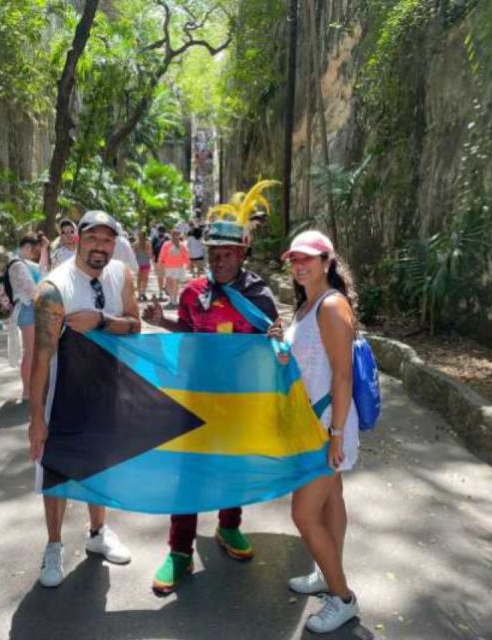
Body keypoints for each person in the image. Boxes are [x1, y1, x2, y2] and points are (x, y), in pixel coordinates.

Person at [142, 199, 279, 595]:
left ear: (241, 255)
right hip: (195, 398)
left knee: (233, 465)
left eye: (227, 254)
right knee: (188, 472)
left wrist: (275, 339)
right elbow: (186, 332)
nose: (219, 261)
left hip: (239, 401)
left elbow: (273, 346)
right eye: (214, 254)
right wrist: (160, 321)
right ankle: (180, 551)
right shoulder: (193, 292)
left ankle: (229, 526)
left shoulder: (259, 296)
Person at [28, 209, 141, 588]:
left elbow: (135, 324)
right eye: (93, 238)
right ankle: (54, 544)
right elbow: (41, 357)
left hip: (106, 388)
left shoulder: (120, 274)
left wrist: (102, 321)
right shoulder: (53, 288)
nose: (101, 246)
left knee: (100, 463)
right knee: (56, 468)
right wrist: (36, 418)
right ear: (78, 238)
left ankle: (97, 533)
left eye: (108, 240)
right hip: (63, 393)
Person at [273, 230, 361, 634]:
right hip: (311, 423)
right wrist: (281, 344)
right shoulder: (307, 306)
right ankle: (329, 574)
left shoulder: (331, 306)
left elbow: (342, 375)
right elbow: (308, 363)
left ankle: (342, 598)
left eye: (308, 258)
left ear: (327, 262)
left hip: (326, 426)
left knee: (304, 514)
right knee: (331, 500)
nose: (300, 265)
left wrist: (337, 435)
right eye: (294, 259)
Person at [7, 234, 43, 401]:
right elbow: (31, 290)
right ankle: (27, 391)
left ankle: (29, 389)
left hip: (24, 310)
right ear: (27, 247)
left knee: (31, 351)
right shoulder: (19, 266)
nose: (33, 255)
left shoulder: (14, 260)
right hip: (26, 310)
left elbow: (41, 267)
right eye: (33, 251)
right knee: (30, 353)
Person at [157, 228, 190, 309]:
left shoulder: (167, 244)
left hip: (169, 267)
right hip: (178, 267)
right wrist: (188, 264)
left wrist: (159, 263)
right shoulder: (182, 245)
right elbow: (186, 256)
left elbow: (162, 255)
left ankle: (172, 300)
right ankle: (174, 301)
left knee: (169, 284)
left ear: (171, 235)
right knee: (175, 285)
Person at [133, 229, 152, 301]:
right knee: (145, 279)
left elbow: (132, 254)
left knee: (139, 279)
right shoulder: (148, 243)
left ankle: (139, 294)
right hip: (146, 263)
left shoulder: (135, 244)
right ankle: (143, 292)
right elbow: (150, 254)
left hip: (138, 263)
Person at [151, 224, 168, 298]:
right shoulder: (155, 238)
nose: (161, 232)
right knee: (161, 276)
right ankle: (161, 290)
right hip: (160, 260)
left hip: (163, 260)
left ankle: (163, 289)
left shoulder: (165, 238)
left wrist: (152, 259)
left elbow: (152, 249)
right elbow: (152, 249)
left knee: (162, 277)